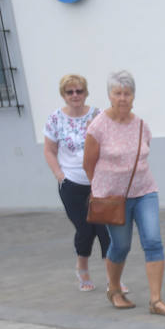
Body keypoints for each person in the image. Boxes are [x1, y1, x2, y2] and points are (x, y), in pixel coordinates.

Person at [83, 70, 165, 316]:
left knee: (153, 241)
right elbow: (88, 164)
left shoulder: (141, 126)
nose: (123, 98)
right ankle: (114, 289)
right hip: (114, 197)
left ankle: (156, 300)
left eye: (127, 93)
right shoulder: (98, 127)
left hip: (145, 191)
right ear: (110, 96)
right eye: (118, 93)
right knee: (121, 245)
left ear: (133, 96)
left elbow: (144, 154)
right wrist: (103, 190)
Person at [43, 74, 108, 291]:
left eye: (79, 91)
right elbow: (49, 150)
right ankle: (82, 268)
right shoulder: (55, 119)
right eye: (70, 92)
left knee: (105, 230)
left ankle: (113, 278)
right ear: (63, 95)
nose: (75, 95)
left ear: (86, 92)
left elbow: (108, 146)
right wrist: (59, 175)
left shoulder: (97, 115)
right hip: (71, 183)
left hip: (97, 183)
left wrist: (94, 132)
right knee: (85, 229)